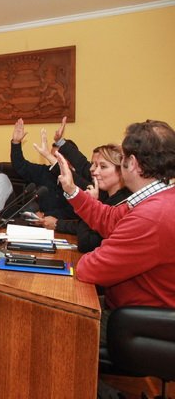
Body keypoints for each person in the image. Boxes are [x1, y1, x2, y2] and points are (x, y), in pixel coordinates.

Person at [56, 119, 175, 330]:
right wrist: (72, 190)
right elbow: (109, 218)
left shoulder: (151, 216)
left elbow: (90, 269)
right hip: (135, 310)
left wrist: (103, 249)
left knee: (57, 321)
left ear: (133, 163)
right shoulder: (157, 198)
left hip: (140, 324)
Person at [38, 144, 131, 252]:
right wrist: (58, 224)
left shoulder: (122, 203)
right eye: (96, 165)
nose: (95, 171)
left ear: (121, 171)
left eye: (103, 167)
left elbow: (86, 243)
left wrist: (91, 204)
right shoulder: (107, 195)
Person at [11, 118, 77, 220]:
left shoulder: (79, 180)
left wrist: (44, 215)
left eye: (56, 157)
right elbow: (20, 166)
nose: (52, 160)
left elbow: (73, 212)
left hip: (64, 225)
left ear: (71, 160)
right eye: (50, 156)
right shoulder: (45, 172)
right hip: (40, 223)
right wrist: (16, 143)